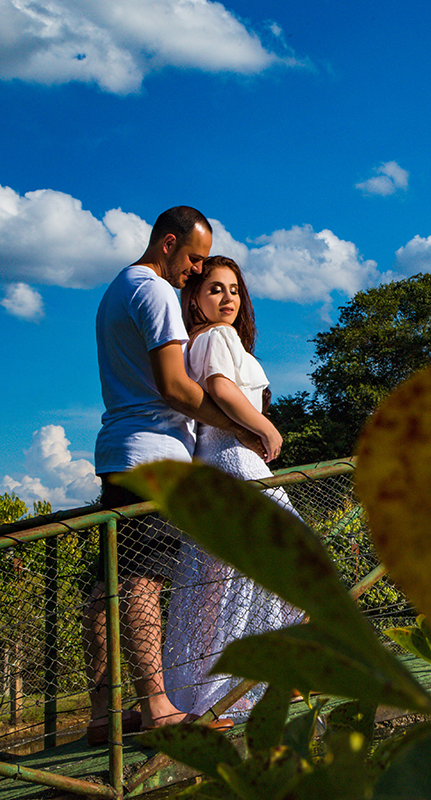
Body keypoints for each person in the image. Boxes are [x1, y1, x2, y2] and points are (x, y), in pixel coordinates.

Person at [86, 207, 266, 744]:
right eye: (194, 258)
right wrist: (235, 426)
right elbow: (175, 387)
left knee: (107, 581)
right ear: (168, 244)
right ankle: (160, 706)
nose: (195, 270)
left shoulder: (115, 289)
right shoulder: (157, 291)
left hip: (118, 449)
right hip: (154, 456)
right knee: (144, 578)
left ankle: (102, 713)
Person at [163, 255, 302, 718]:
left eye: (235, 290)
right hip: (235, 463)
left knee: (225, 583)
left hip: (217, 466)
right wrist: (266, 428)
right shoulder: (216, 337)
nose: (227, 299)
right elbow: (221, 390)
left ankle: (246, 680)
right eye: (215, 289)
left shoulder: (206, 341)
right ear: (195, 300)